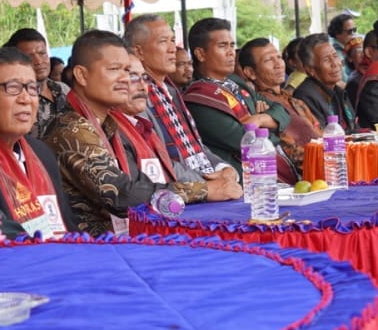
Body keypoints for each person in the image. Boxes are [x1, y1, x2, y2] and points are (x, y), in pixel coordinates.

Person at [42, 31, 237, 235]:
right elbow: (123, 194)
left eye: (127, 71)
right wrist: (205, 190)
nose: (125, 79)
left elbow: (142, 183)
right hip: (92, 248)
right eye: (114, 69)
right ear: (82, 75)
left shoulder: (109, 124)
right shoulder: (71, 128)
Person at [0, 48, 77, 238]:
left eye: (31, 88)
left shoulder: (41, 152)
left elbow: (68, 226)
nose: (26, 99)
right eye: (12, 88)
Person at [182, 19, 278, 175]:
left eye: (232, 45)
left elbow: (280, 110)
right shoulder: (198, 98)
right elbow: (246, 141)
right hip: (242, 179)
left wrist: (260, 119)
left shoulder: (236, 82)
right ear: (200, 54)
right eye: (222, 46)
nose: (230, 52)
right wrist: (275, 127)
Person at [124, 14, 216, 176]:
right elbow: (155, 161)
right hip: (185, 189)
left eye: (172, 40)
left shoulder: (171, 91)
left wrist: (224, 168)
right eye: (163, 41)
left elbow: (195, 145)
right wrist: (206, 183)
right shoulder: (135, 95)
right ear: (139, 51)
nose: (173, 48)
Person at [240, 37, 321, 180]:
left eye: (278, 57)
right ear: (250, 72)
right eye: (268, 60)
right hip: (306, 176)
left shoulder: (296, 102)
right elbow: (291, 153)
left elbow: (319, 134)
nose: (278, 64)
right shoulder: (259, 106)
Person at [4, 28, 67, 140]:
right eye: (29, 57)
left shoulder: (62, 89)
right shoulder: (17, 98)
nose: (38, 61)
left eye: (42, 53)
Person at [294, 35, 352, 132]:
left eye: (335, 56)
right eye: (326, 60)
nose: (335, 63)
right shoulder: (306, 96)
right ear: (310, 69)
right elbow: (321, 137)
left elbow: (353, 127)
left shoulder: (337, 90)